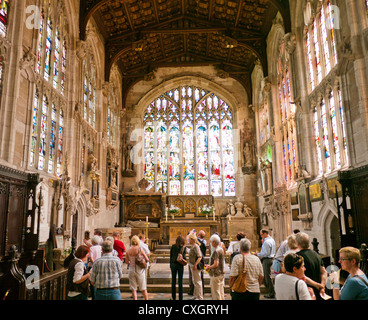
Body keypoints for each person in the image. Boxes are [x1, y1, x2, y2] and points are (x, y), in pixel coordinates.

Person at [295, 232, 327, 300]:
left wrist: (317, 285)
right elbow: (324, 272)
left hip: (307, 290)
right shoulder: (316, 254)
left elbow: (300, 275)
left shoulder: (298, 257)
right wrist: (322, 285)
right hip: (319, 291)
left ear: (297, 243)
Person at [126, 235, 149, 300]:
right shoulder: (139, 249)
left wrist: (132, 262)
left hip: (131, 269)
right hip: (139, 269)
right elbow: (147, 259)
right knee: (143, 288)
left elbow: (127, 261)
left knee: (134, 289)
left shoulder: (128, 250)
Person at [256, 229, 276, 298]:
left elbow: (265, 253)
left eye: (261, 234)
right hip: (270, 259)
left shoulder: (266, 242)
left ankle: (271, 292)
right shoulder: (272, 240)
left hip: (267, 259)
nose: (261, 236)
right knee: (266, 276)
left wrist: (257, 254)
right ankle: (270, 291)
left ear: (265, 234)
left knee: (267, 277)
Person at [205, 234, 225, 300]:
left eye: (211, 242)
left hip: (215, 274)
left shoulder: (216, 251)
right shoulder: (221, 249)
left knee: (216, 292)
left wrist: (209, 267)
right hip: (221, 273)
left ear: (214, 242)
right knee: (221, 291)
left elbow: (216, 264)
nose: (210, 243)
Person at [170, 235, 187, 300]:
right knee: (180, 282)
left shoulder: (173, 246)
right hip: (180, 265)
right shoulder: (183, 248)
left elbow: (171, 256)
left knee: (173, 281)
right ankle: (180, 298)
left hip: (173, 264)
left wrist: (171, 265)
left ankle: (173, 297)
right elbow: (184, 257)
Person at [188, 233, 204, 300]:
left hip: (195, 266)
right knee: (194, 281)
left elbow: (199, 256)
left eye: (189, 239)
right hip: (192, 265)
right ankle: (195, 295)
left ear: (192, 239)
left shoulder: (196, 246)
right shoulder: (192, 246)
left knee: (198, 282)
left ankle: (200, 297)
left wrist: (195, 265)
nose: (188, 240)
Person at [197, 230, 207, 295]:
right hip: (202, 259)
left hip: (198, 260)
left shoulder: (197, 242)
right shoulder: (204, 242)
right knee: (201, 275)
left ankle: (199, 292)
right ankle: (202, 290)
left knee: (198, 277)